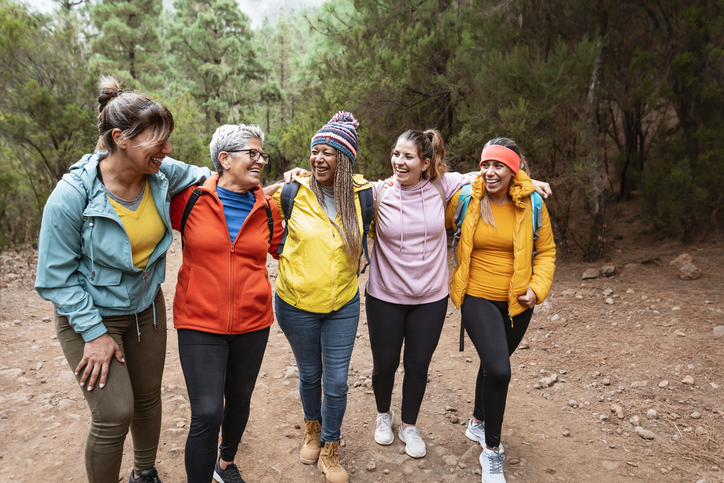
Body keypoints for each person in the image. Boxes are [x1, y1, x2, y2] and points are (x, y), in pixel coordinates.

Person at [34, 77, 210, 483]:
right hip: (89, 314)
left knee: (147, 399)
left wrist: (259, 180)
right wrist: (95, 334)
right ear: (120, 138)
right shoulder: (71, 195)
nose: (168, 151)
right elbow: (56, 279)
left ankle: (144, 473)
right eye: (159, 141)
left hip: (145, 308)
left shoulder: (161, 173)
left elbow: (207, 175)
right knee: (114, 412)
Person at [365, 130, 551, 459]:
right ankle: (384, 415)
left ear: (425, 164)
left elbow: (488, 174)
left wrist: (527, 183)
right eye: (396, 154)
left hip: (430, 298)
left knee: (418, 365)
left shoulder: (443, 186)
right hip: (385, 295)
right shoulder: (378, 192)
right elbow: (341, 187)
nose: (399, 161)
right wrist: (298, 176)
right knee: (384, 365)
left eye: (408, 156)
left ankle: (409, 425)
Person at [169, 124, 283, 483]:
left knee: (239, 401)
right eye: (252, 153)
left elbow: (286, 251)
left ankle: (226, 463)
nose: (260, 161)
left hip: (253, 323)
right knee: (206, 412)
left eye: (262, 154)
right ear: (224, 158)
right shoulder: (188, 200)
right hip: (198, 322)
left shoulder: (269, 208)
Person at [445, 138, 556, 483]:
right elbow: (430, 204)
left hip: (517, 303)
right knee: (500, 369)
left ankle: (478, 422)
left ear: (514, 170)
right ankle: (491, 452)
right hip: (476, 294)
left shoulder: (532, 203)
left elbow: (547, 251)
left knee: (495, 367)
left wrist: (537, 290)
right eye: (485, 165)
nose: (491, 172)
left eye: (499, 166)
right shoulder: (466, 198)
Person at [272, 111, 370, 483]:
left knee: (338, 381)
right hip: (296, 304)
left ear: (344, 159)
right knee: (310, 374)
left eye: (329, 151)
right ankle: (312, 429)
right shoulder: (292, 191)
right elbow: (240, 192)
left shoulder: (364, 196)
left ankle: (331, 446)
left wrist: (521, 179)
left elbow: (427, 184)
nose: (319, 158)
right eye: (315, 150)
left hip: (343, 304)